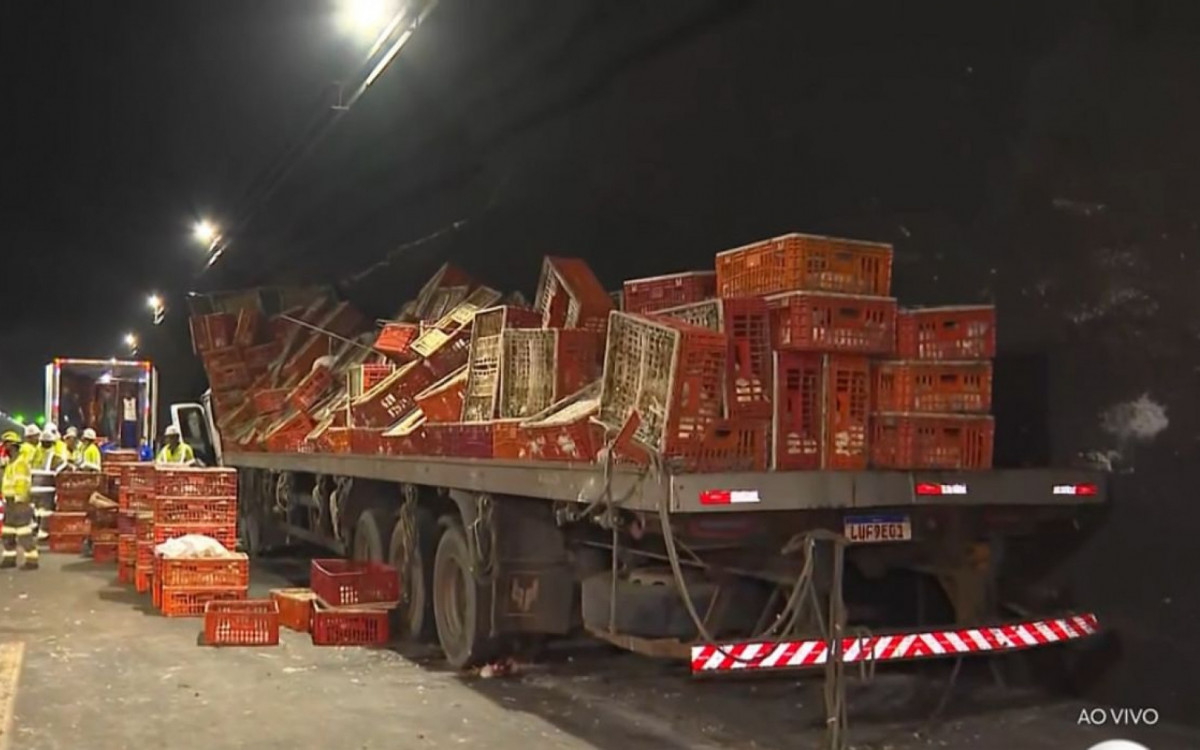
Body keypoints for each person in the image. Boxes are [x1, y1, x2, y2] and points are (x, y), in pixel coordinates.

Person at [1, 429, 37, 569]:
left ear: (13, 445)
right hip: (10, 502)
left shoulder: (20, 463)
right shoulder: (11, 463)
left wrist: (20, 500)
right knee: (8, 533)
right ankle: (9, 558)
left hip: (19, 503)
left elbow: (22, 483)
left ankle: (32, 560)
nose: (5, 447)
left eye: (7, 444)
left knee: (23, 533)